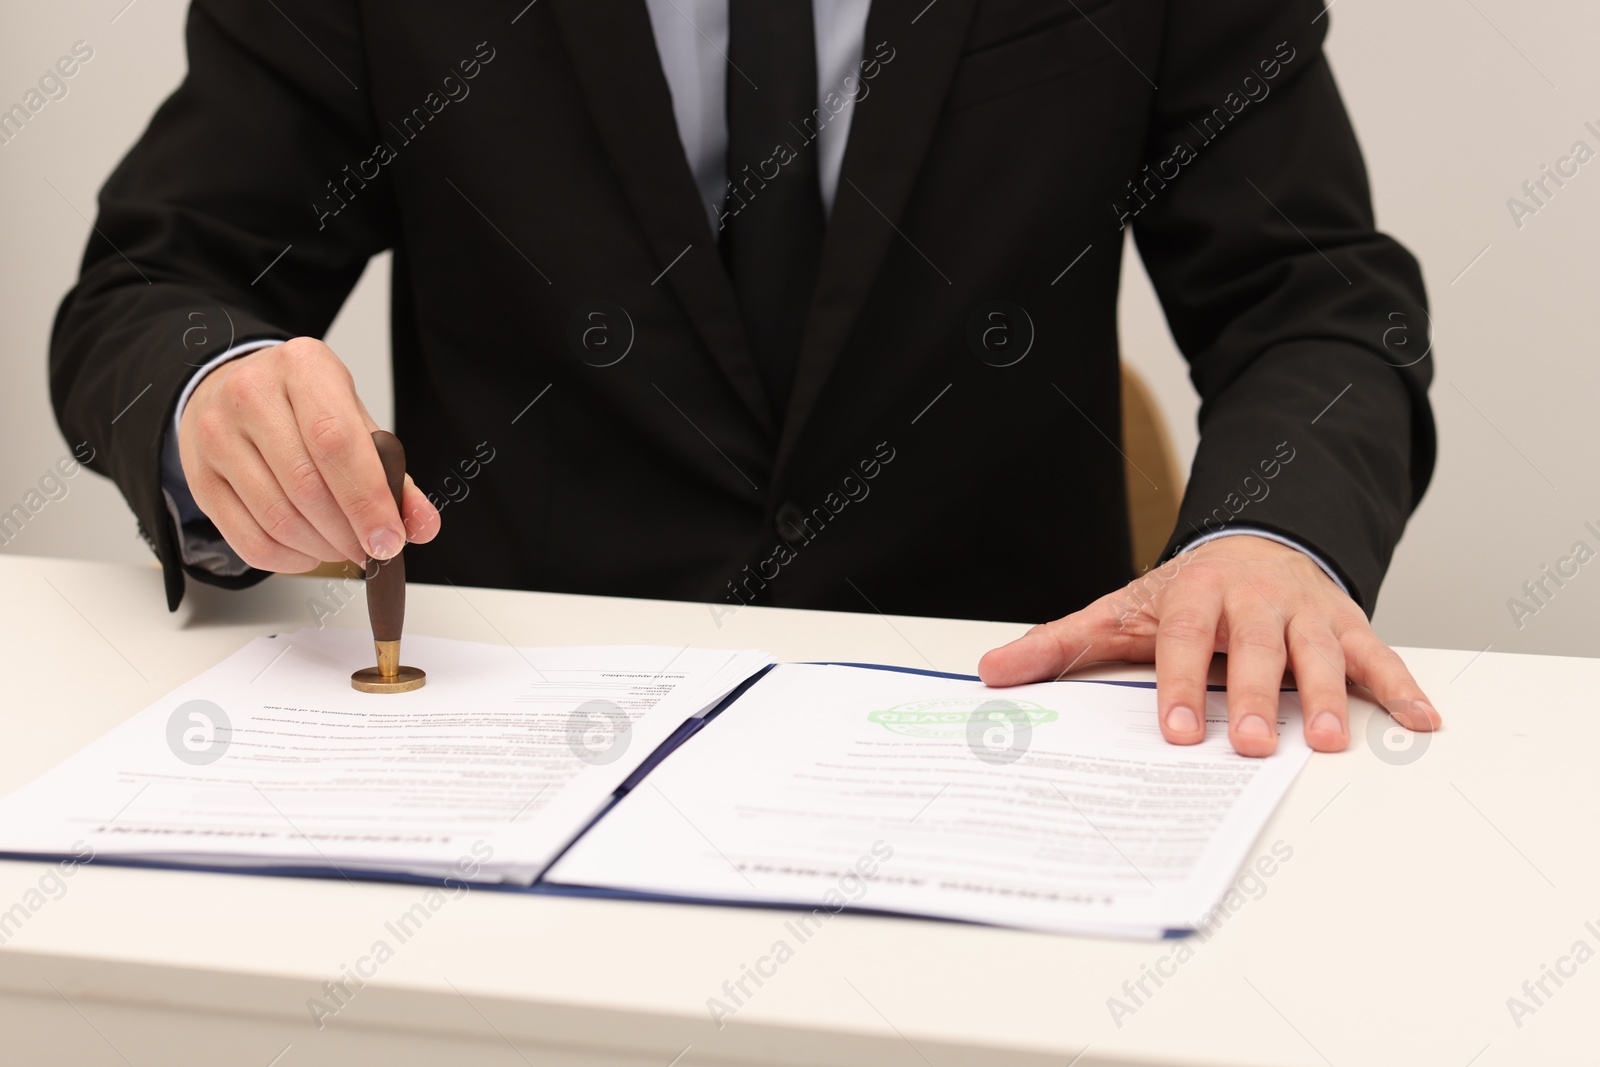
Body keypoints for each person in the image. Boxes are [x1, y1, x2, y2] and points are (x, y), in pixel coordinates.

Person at [50, 0, 1441, 757]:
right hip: (514, 752)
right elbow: (156, 285)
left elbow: (1315, 297)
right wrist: (210, 398)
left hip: (1001, 741)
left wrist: (1271, 532)